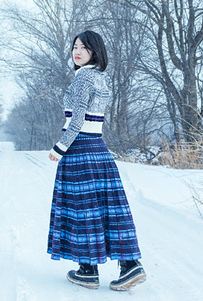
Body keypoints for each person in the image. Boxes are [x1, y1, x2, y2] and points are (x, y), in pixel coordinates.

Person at [47, 30, 146, 291]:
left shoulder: (82, 79)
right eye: (74, 46)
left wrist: (60, 147)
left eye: (83, 47)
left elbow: (77, 119)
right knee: (107, 208)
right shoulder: (100, 78)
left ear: (95, 51)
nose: (76, 51)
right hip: (99, 150)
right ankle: (127, 265)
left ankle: (88, 269)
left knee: (82, 211)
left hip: (79, 151)